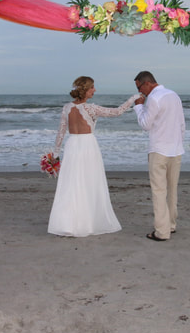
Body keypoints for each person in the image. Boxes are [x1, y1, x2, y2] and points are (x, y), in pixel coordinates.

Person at [47, 76, 139, 237]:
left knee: (71, 184)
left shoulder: (66, 108)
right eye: (92, 87)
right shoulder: (91, 108)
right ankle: (86, 223)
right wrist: (133, 98)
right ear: (85, 90)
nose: (94, 90)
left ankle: (68, 223)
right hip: (88, 146)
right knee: (89, 183)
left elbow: (61, 131)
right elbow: (117, 112)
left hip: (72, 145)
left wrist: (55, 153)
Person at [133, 71, 185, 241]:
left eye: (140, 87)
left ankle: (162, 232)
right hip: (176, 149)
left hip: (159, 150)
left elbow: (145, 125)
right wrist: (179, 143)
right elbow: (181, 124)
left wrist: (139, 106)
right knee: (172, 190)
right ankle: (170, 225)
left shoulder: (154, 98)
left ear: (146, 83)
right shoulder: (174, 95)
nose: (140, 92)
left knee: (159, 191)